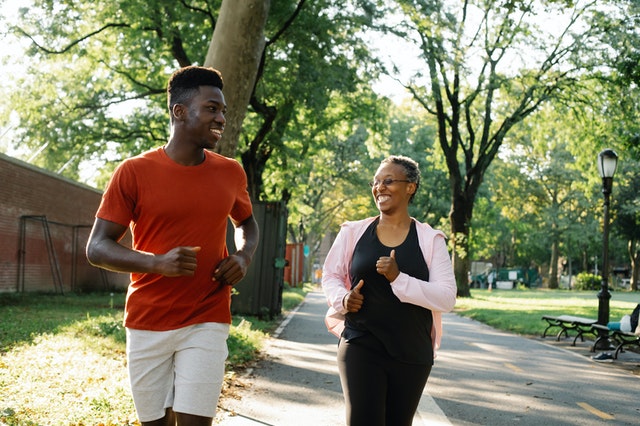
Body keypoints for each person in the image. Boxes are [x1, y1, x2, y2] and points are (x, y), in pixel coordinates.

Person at [86, 66, 259, 426]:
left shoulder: (231, 172)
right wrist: (157, 263)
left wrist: (243, 256)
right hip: (148, 320)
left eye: (223, 110)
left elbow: (247, 223)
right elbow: (97, 247)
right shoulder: (133, 172)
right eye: (212, 108)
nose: (222, 118)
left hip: (206, 317)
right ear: (179, 111)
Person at [321, 155, 457, 426]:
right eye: (375, 182)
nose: (379, 187)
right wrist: (343, 299)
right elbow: (331, 275)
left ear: (411, 187)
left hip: (412, 350)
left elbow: (446, 297)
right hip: (361, 342)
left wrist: (398, 279)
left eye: (388, 181)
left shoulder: (431, 239)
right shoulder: (353, 232)